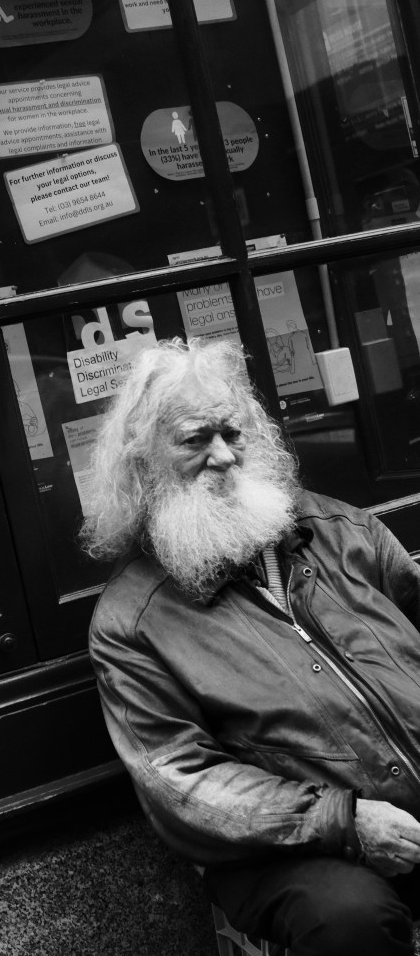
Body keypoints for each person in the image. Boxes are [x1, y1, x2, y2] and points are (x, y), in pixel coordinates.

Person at [82, 336, 420, 956]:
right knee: (347, 919)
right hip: (291, 846)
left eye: (232, 433)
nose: (223, 456)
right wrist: (343, 820)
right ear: (143, 464)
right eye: (194, 440)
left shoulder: (341, 530)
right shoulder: (132, 620)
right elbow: (183, 782)